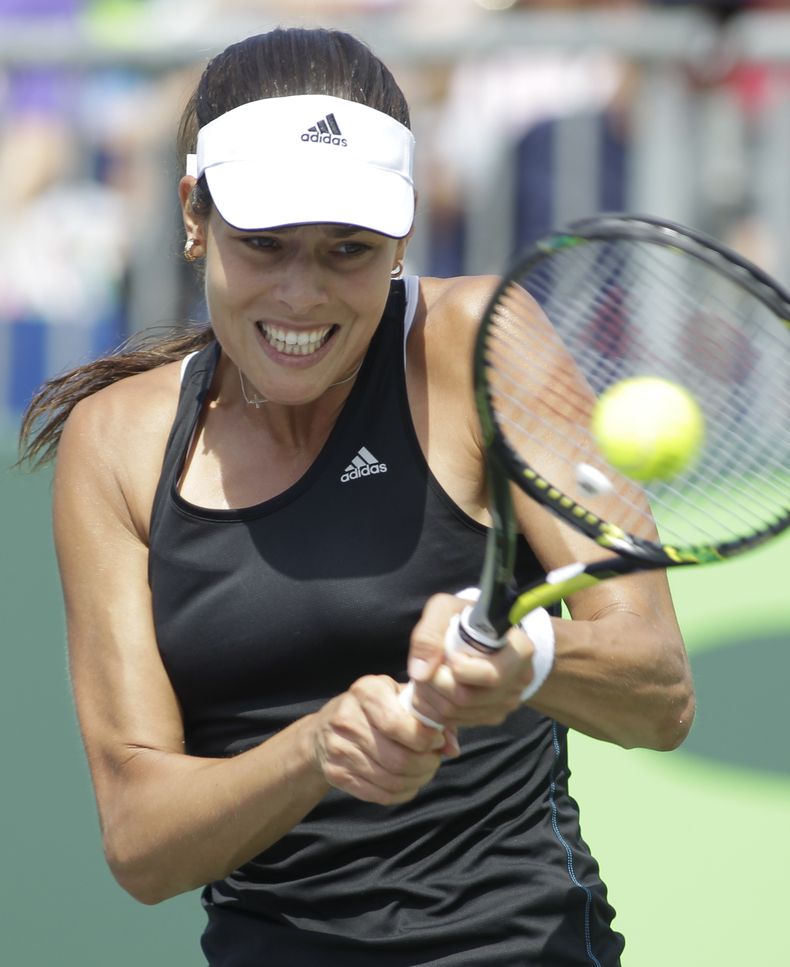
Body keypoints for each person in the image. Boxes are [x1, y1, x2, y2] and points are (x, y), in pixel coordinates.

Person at [18, 26, 694, 967]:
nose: (302, 295)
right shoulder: (116, 441)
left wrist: (526, 658)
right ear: (192, 215)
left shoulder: (480, 341)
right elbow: (139, 841)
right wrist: (317, 750)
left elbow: (659, 688)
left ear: (403, 235)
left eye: (348, 248)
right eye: (263, 244)